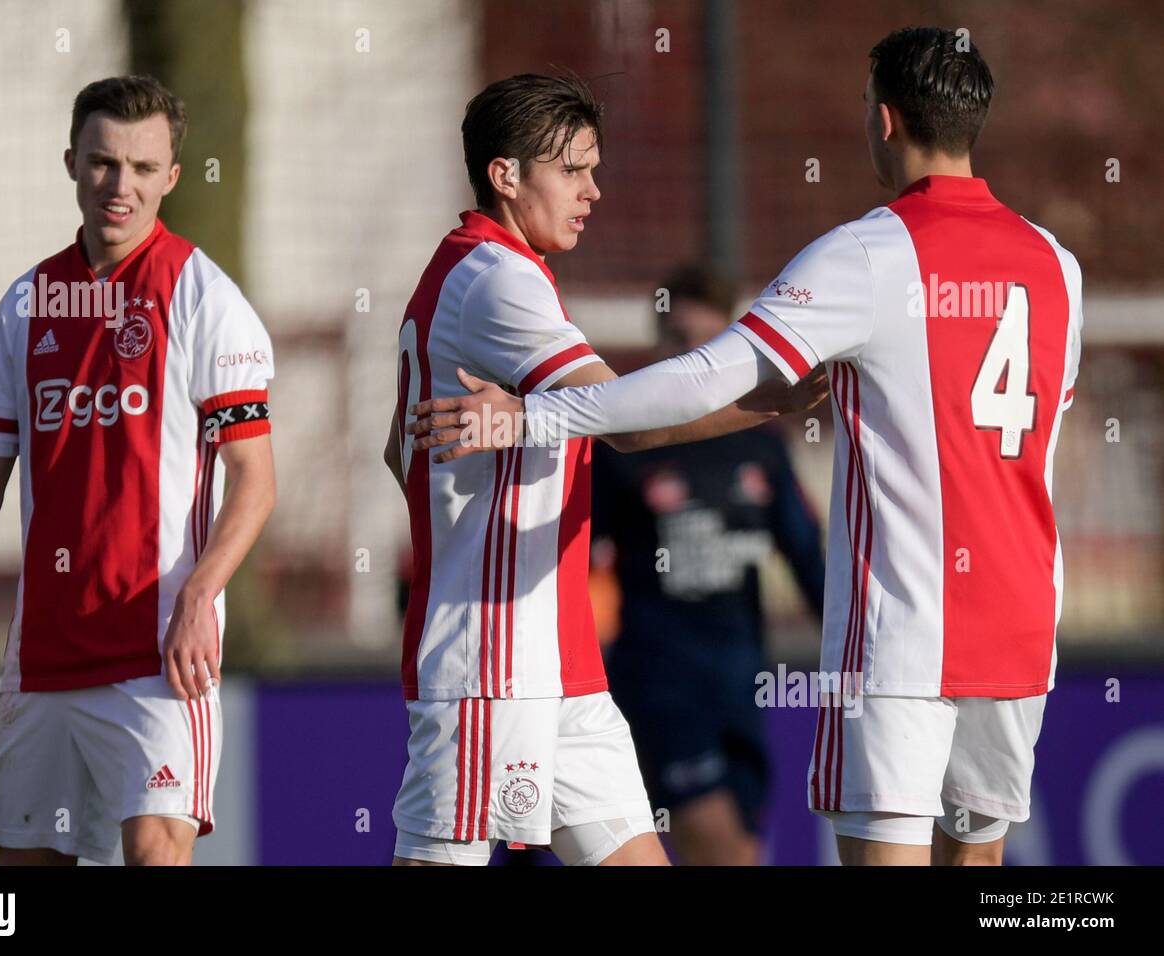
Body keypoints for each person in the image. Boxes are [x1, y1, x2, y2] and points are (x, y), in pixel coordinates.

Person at [410, 27, 1083, 867]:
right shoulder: (1057, 265)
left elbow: (691, 381)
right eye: (575, 169)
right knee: (979, 865)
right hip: (1020, 626)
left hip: (902, 635)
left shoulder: (869, 254)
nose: (594, 189)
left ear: (883, 120)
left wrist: (532, 418)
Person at [383, 73, 823, 867]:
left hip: (563, 669)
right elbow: (629, 422)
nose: (594, 189)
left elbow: (398, 450)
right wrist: (776, 395)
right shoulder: (496, 280)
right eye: (574, 169)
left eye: (595, 167)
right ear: (506, 175)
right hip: (493, 661)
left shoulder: (472, 272)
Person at [0, 75, 277, 866]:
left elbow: (254, 478)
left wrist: (201, 594)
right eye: (102, 163)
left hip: (160, 655)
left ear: (171, 173)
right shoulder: (28, 304)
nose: (119, 186)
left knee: (157, 854)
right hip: (45, 655)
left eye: (140, 167)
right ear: (71, 162)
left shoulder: (204, 298)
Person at [592, 265, 826, 865]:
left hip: (741, 687)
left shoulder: (761, 447)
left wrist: (868, 646)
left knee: (734, 849)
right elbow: (569, 558)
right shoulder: (628, 446)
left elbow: (807, 559)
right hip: (660, 686)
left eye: (708, 347)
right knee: (721, 849)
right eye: (679, 344)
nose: (692, 363)